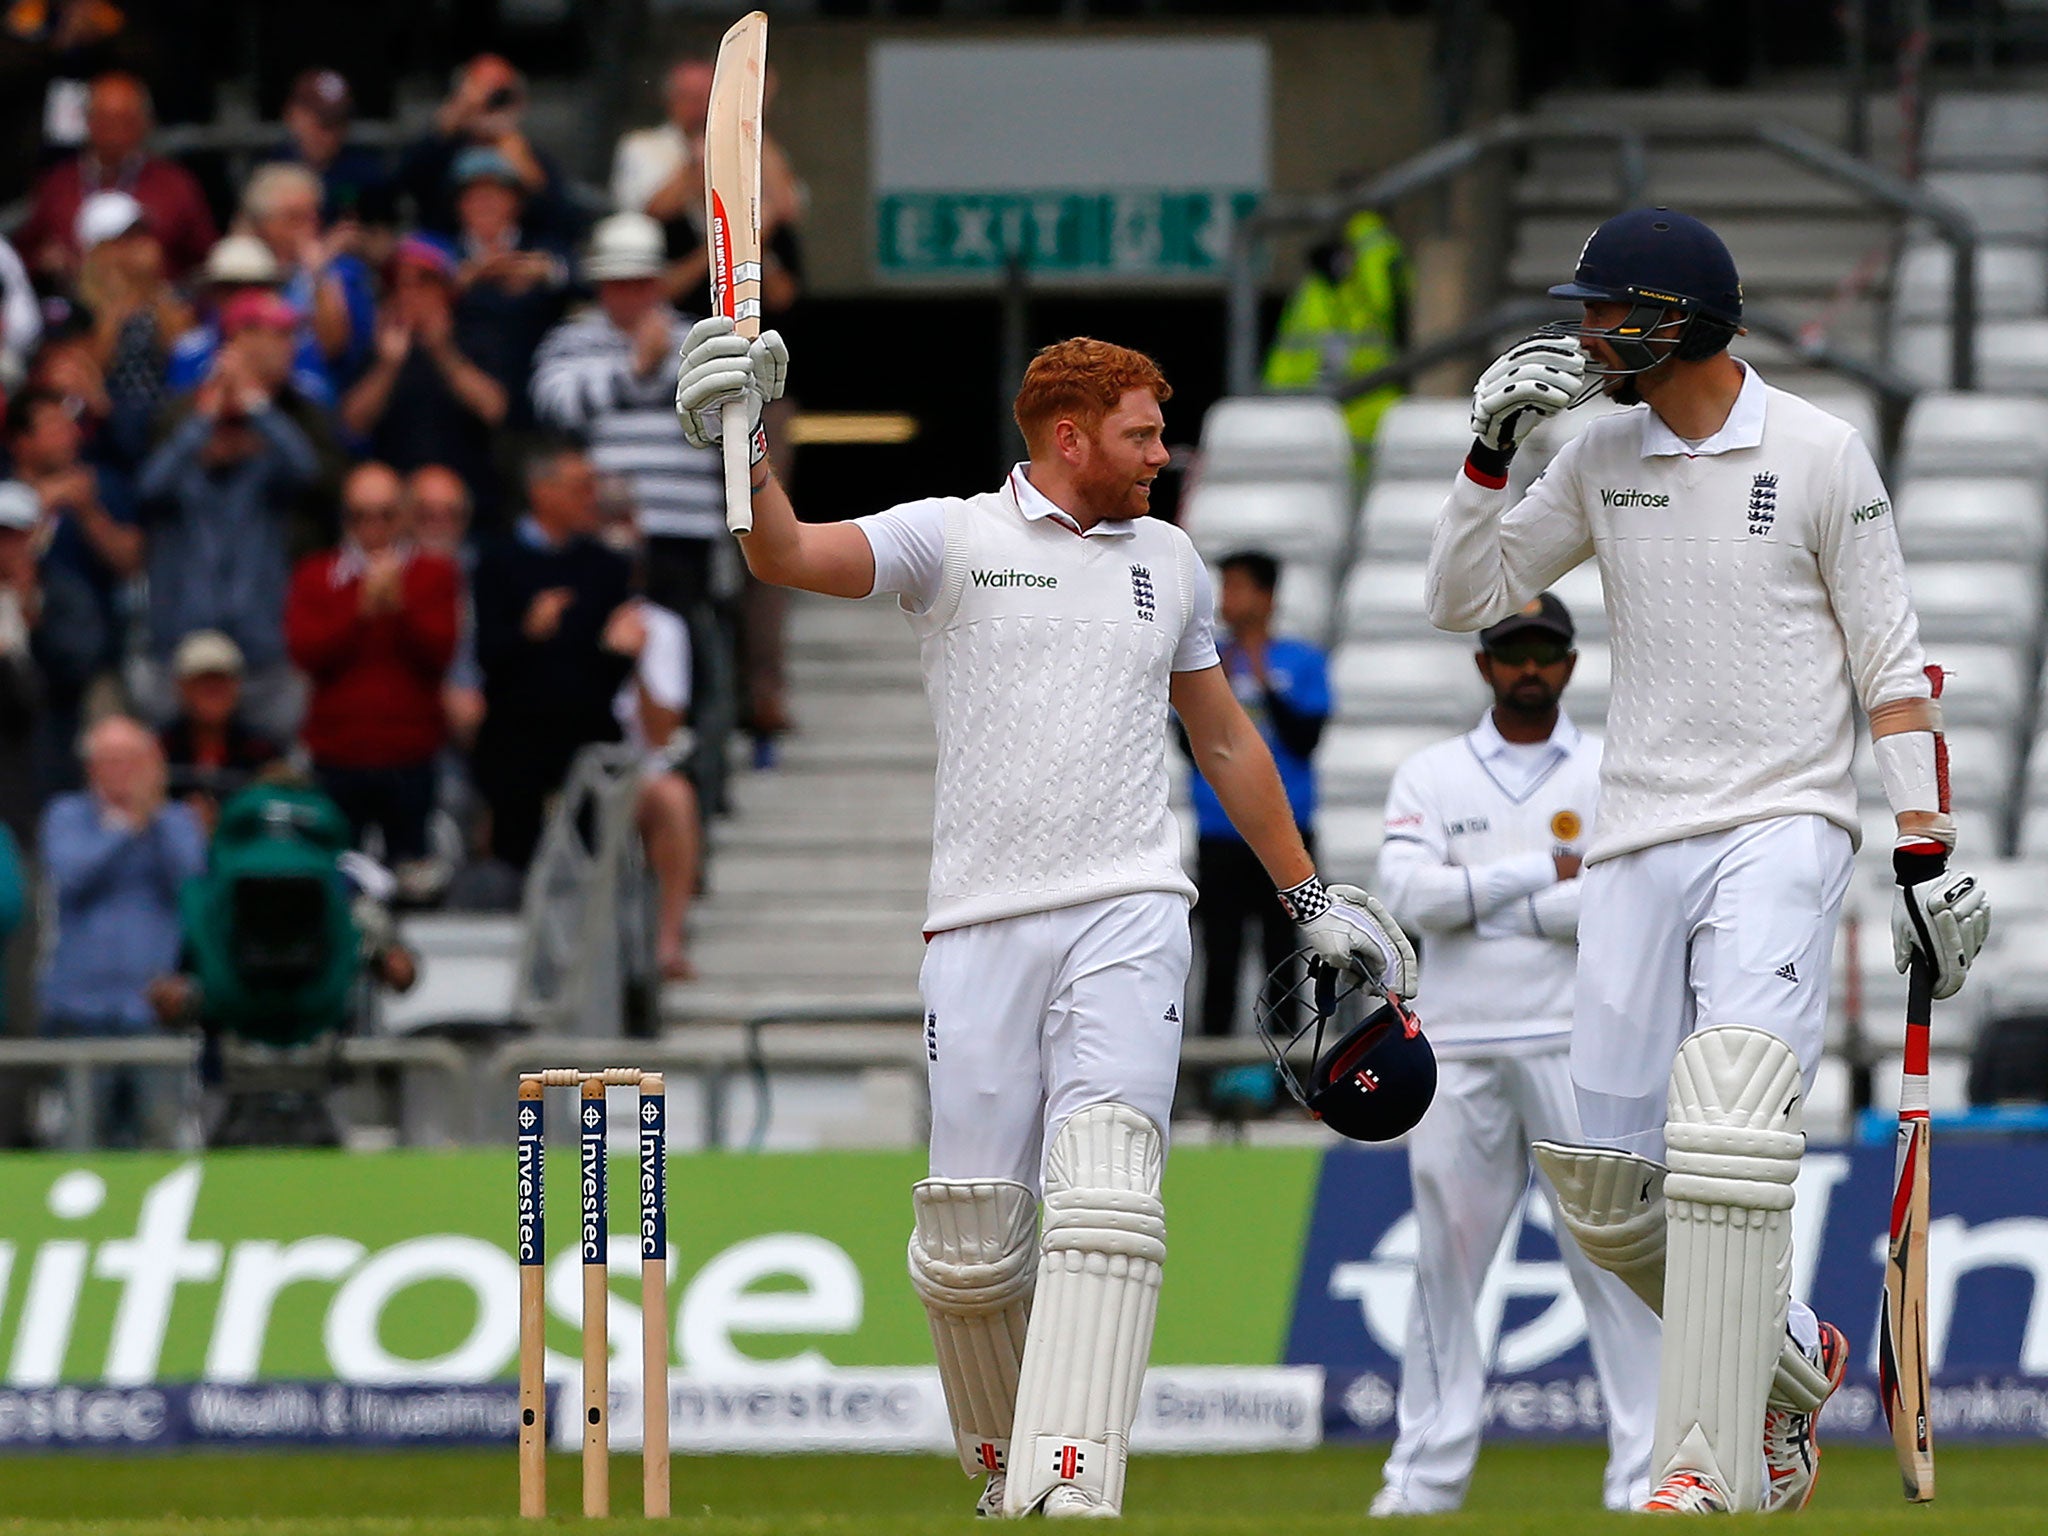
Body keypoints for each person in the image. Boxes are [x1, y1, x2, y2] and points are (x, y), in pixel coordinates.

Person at [676, 325, 1416, 1517]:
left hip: (1129, 904)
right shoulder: (952, 534)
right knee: (968, 1244)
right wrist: (742, 446)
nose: (1162, 455)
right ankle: (1003, 1461)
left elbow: (1223, 737)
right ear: (1069, 437)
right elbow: (784, 554)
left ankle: (1074, 1473)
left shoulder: (1168, 561)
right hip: (974, 923)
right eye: (1141, 434)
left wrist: (1305, 896)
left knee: (1107, 1192)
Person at [1425, 207, 1992, 1513]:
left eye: (1602, 310)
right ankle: (1794, 1366)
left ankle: (1709, 1454)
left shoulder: (1817, 451)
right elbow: (1463, 601)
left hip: (1784, 821)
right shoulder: (1593, 455)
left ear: (1673, 320)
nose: (1581, 334)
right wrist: (1486, 452)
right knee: (1610, 1197)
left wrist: (1924, 850)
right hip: (1634, 834)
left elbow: (1892, 674)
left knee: (1732, 1127)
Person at [1372, 592, 1656, 1513]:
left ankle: (1646, 1475)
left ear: (1570, 664)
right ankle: (1422, 1479)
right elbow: (1406, 895)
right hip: (1455, 1050)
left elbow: (1621, 898)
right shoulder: (1433, 773)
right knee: (1446, 1269)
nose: (1529, 666)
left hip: (1581, 1045)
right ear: (1485, 663)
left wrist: (1484, 897)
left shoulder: (1613, 768)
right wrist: (1541, 876)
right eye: (1512, 651)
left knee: (1614, 1261)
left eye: (1545, 651)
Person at [136, 315, 320, 742]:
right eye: (222, 425)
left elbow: (307, 469)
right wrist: (204, 417)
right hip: (178, 650)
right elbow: (147, 487)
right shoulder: (177, 476)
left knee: (267, 761)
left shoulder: (265, 475)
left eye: (237, 428)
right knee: (168, 764)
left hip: (259, 652)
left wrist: (256, 406)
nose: (227, 436)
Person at [531, 212, 723, 616]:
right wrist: (634, 371)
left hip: (685, 525)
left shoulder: (701, 338)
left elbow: (720, 417)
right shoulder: (571, 339)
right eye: (618, 284)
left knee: (688, 646)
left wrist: (650, 367)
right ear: (600, 286)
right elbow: (553, 407)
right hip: (599, 528)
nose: (630, 295)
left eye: (641, 283)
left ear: (659, 283)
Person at [285, 461, 459, 901]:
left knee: (413, 882)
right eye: (360, 515)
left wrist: (399, 607)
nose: (373, 527)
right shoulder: (317, 575)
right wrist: (359, 611)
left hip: (410, 754)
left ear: (402, 516)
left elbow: (439, 653)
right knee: (337, 879)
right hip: (338, 754)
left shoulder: (433, 574)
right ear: (345, 519)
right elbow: (307, 653)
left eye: (384, 514)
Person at [38, 714, 207, 1147]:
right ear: (90, 767)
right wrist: (128, 825)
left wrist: (153, 815)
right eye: (110, 760)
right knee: (81, 1136)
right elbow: (72, 875)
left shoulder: (175, 821)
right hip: (80, 1006)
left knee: (158, 1135)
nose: (121, 771)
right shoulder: (66, 815)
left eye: (131, 759)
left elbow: (190, 881)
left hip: (151, 1008)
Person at [470, 442, 639, 871]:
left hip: (587, 736)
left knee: (595, 857)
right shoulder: (498, 562)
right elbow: (488, 654)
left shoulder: (608, 566)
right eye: (581, 487)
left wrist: (621, 651)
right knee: (515, 857)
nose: (592, 497)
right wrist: (528, 633)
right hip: (518, 738)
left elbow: (610, 664)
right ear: (543, 492)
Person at [1187, 550, 1330, 1051]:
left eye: (1240, 587)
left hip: (1285, 833)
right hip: (1219, 831)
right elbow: (1189, 742)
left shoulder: (1302, 660)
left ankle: (1284, 1069)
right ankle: (1214, 1076)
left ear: (1267, 597)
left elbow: (1305, 737)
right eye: (1225, 587)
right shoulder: (1204, 665)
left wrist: (1263, 680)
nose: (1229, 599)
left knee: (1282, 953)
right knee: (1219, 951)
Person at [341, 234, 506, 507]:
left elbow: (494, 408)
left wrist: (442, 351)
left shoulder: (474, 338)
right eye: (399, 285)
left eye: (423, 283)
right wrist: (388, 365)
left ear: (445, 290)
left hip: (467, 499)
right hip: (398, 503)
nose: (409, 294)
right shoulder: (381, 348)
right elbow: (352, 424)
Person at [15, 71, 216, 282]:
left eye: (124, 121)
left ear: (145, 123)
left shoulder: (175, 185)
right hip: (75, 304)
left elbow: (205, 263)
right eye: (104, 120)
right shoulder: (59, 183)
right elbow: (26, 254)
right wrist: (45, 260)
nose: (114, 132)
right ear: (87, 122)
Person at [4, 384, 140, 668]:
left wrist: (90, 513)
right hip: (14, 649)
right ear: (21, 442)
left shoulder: (103, 486)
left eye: (70, 426)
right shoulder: (5, 495)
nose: (70, 435)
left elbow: (131, 562)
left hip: (96, 645)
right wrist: (37, 505)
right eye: (54, 427)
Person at [1263, 208, 1410, 459]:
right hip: (1306, 412)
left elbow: (1383, 284)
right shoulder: (1314, 291)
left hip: (1368, 413)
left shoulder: (1377, 271)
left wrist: (1363, 226)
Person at [397, 54, 579, 250]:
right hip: (449, 256)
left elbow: (565, 223)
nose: (491, 106)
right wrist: (444, 127)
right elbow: (403, 186)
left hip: (518, 256)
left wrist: (526, 167)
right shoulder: (441, 150)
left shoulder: (530, 154)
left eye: (501, 97)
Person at [0, 478, 103, 823]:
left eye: (16, 533)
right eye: (1, 534)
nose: (7, 546)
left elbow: (79, 665)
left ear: (36, 534)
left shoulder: (65, 593)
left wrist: (34, 617)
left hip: (48, 753)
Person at [449, 145, 567, 427]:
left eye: (495, 194)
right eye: (474, 196)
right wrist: (466, 278)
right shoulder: (442, 256)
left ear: (515, 202)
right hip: (459, 411)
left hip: (533, 406)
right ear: (459, 205)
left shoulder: (543, 252)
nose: (485, 204)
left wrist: (545, 272)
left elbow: (580, 281)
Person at [238, 161, 377, 389]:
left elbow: (332, 345)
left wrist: (318, 275)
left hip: (320, 399)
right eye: (293, 217)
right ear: (262, 225)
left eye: (312, 216)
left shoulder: (343, 273)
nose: (307, 227)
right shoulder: (240, 273)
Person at [157, 629, 282, 836]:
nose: (212, 691)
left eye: (220, 681)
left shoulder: (264, 752)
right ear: (181, 688)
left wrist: (228, 817)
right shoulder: (158, 749)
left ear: (237, 687)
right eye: (203, 682)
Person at [270, 67, 395, 229]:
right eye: (322, 123)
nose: (330, 135)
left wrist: (355, 240)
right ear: (293, 115)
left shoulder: (366, 174)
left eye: (338, 123)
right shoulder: (270, 170)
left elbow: (384, 238)